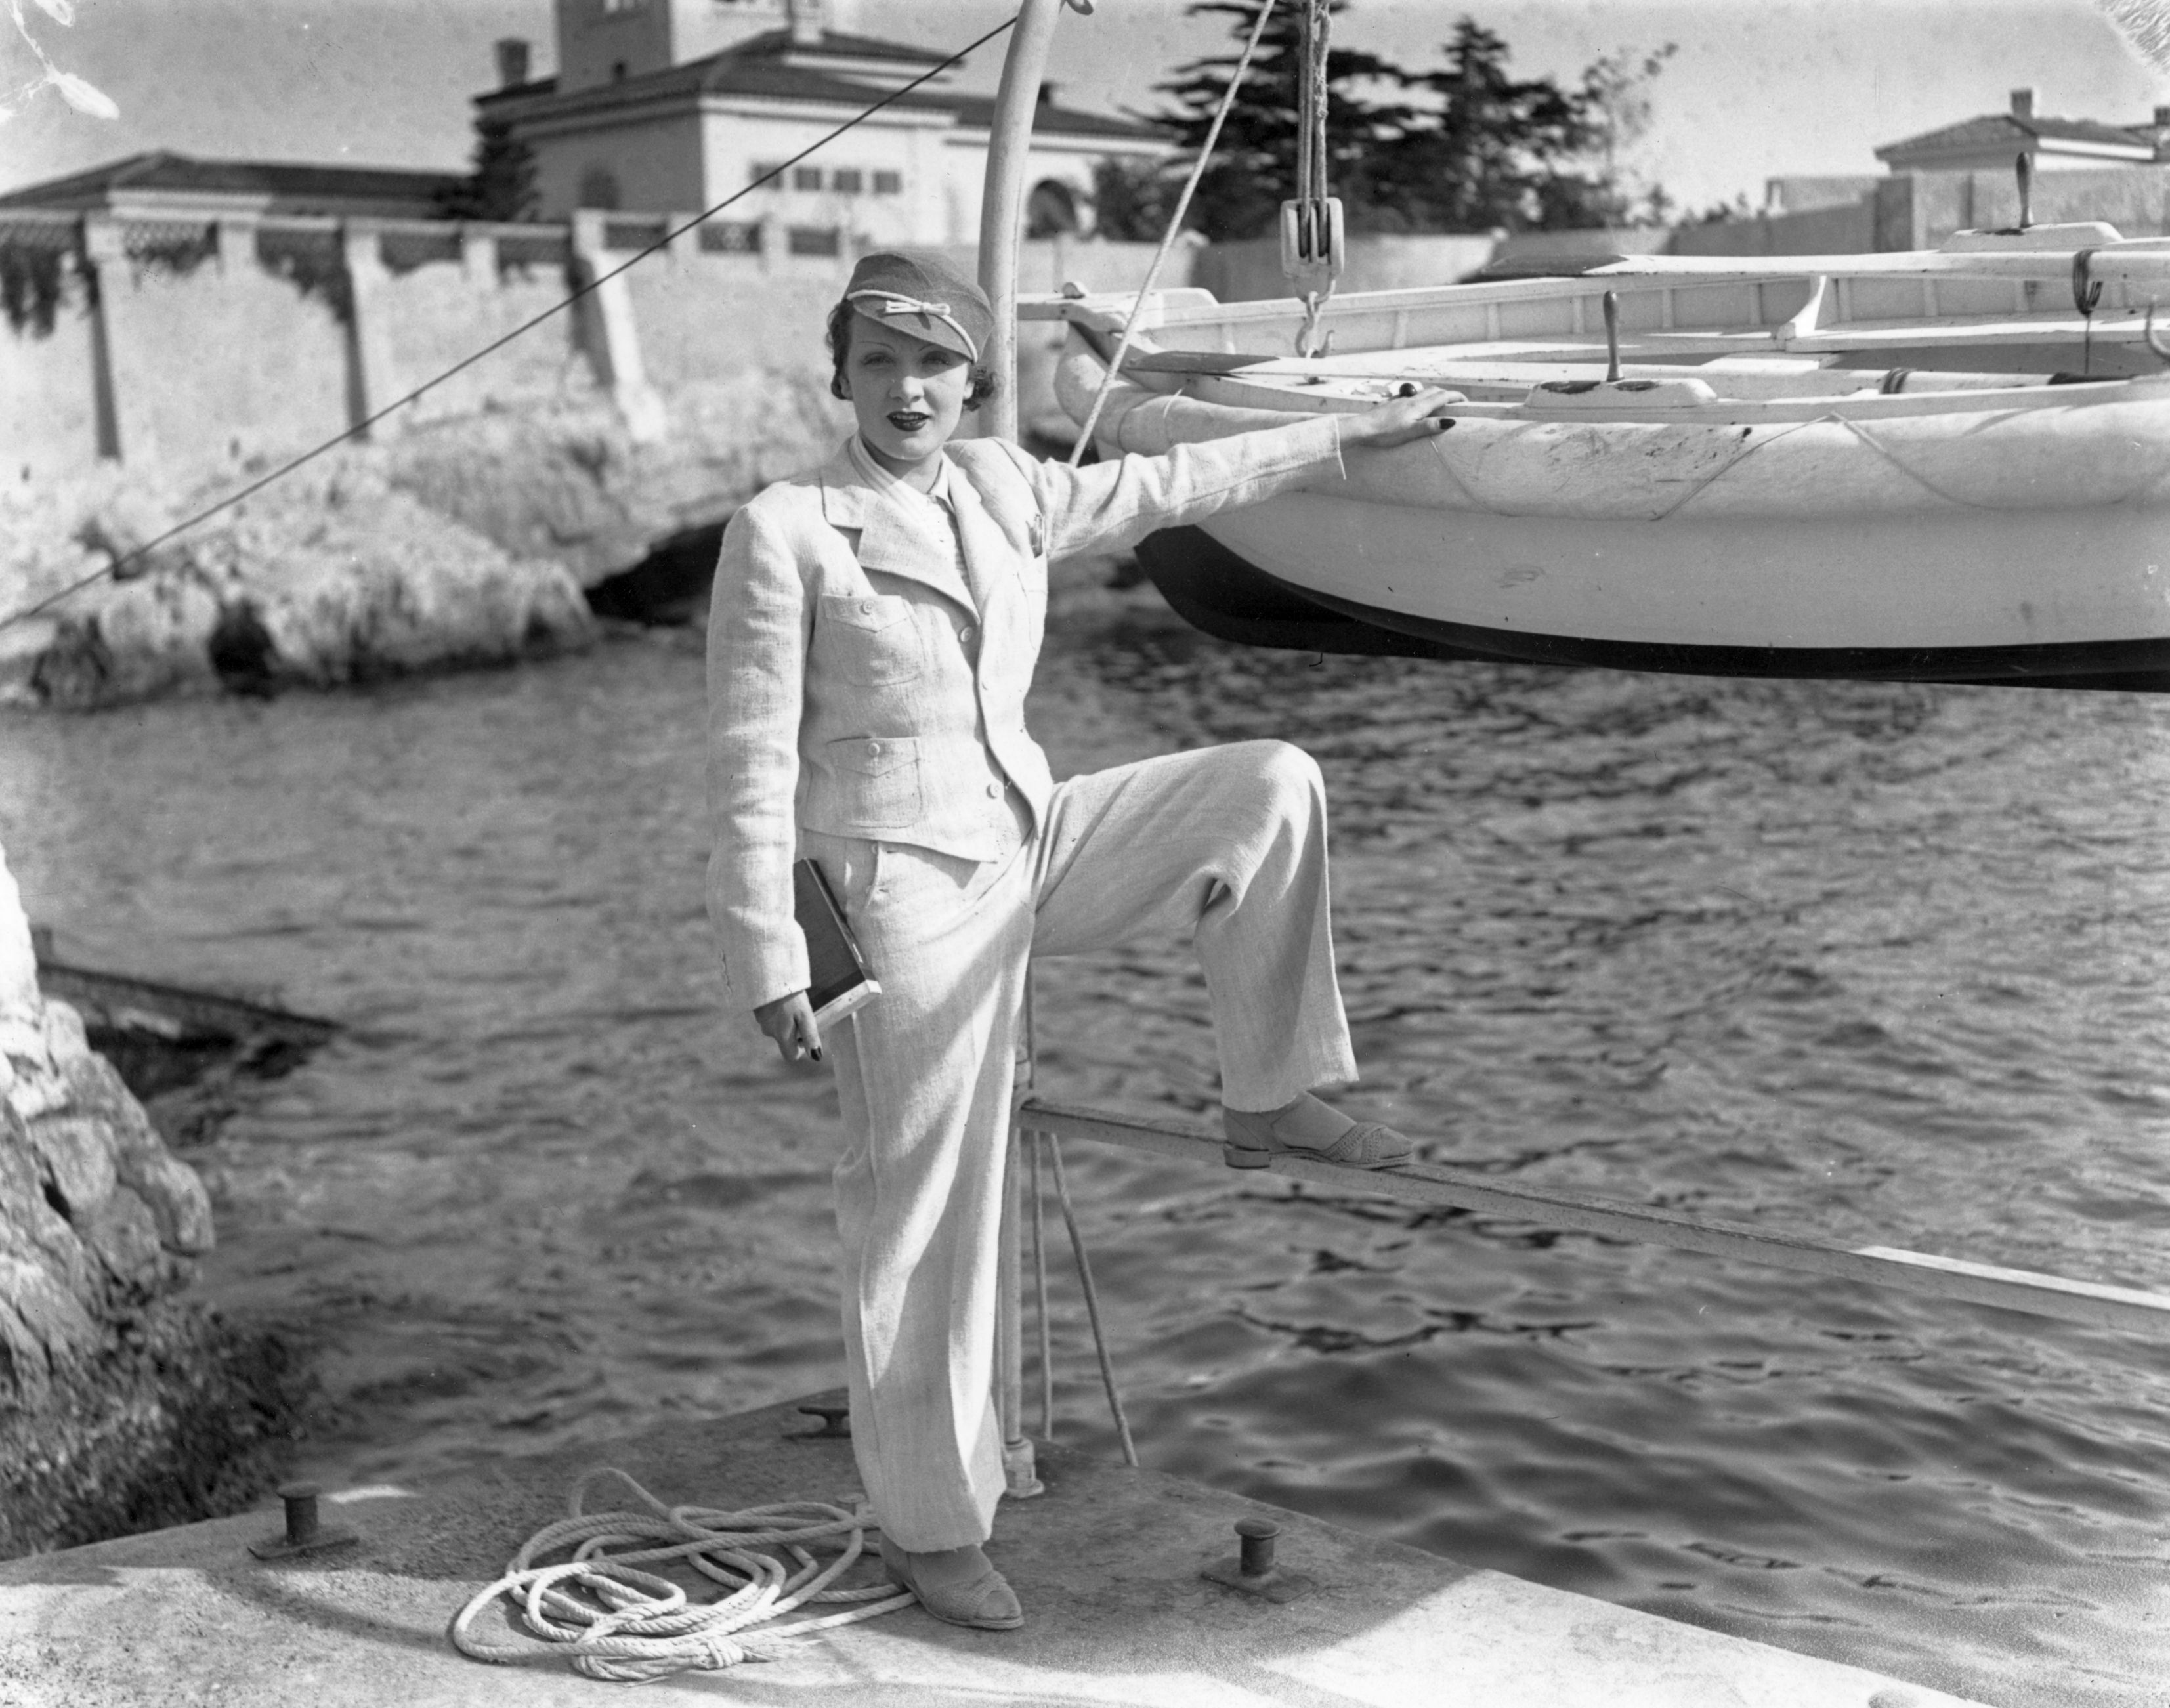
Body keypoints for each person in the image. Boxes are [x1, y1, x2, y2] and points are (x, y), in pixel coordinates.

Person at [706, 251, 1454, 1631]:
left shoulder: (1003, 486)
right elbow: (751, 765)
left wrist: (1346, 429)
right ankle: (931, 1528)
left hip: (1029, 839)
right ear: (843, 375)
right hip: (901, 897)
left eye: (934, 361)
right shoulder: (788, 527)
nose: (910, 387)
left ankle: (1272, 1091)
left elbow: (1174, 486)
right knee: (920, 1208)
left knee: (1269, 784)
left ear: (973, 375)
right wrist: (770, 957)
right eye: (880, 360)